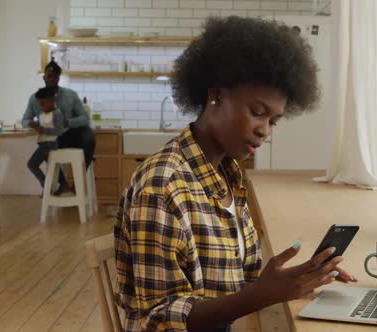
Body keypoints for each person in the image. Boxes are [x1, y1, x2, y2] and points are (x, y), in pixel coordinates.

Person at [114, 16, 357, 332]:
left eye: (273, 121)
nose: (264, 131)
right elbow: (158, 320)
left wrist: (300, 278)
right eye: (257, 112)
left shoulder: (227, 177)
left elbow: (236, 279)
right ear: (215, 95)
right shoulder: (163, 188)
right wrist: (259, 297)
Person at [22, 59, 95, 194]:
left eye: (55, 76)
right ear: (44, 77)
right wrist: (33, 124)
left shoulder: (70, 95)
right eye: (49, 76)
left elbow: (84, 118)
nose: (52, 79)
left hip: (71, 135)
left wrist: (68, 122)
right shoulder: (35, 98)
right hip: (52, 137)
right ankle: (61, 184)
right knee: (45, 146)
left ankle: (78, 180)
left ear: (59, 78)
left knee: (89, 136)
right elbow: (25, 120)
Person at [26, 87, 64, 194]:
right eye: (39, 104)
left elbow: (58, 130)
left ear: (52, 101)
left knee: (32, 164)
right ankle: (52, 187)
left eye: (43, 103)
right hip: (43, 144)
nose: (41, 106)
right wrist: (34, 124)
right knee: (53, 169)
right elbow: (40, 123)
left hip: (50, 144)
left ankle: (47, 187)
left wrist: (43, 130)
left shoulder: (57, 114)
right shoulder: (43, 114)